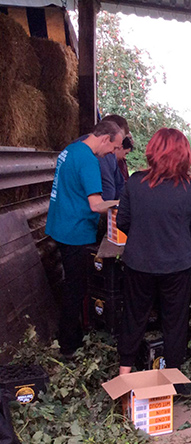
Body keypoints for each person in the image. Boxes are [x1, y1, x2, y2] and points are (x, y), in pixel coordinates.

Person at [116, 128, 191, 375]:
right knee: (175, 321)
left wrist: (144, 233)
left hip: (138, 262)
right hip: (176, 265)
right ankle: (173, 378)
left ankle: (124, 373)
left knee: (134, 316)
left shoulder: (134, 182)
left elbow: (122, 221)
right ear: (184, 154)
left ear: (152, 151)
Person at [45, 120, 125, 357]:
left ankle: (72, 335)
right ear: (104, 139)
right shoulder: (89, 160)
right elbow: (96, 204)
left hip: (60, 225)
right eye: (113, 147)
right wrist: (123, 204)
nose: (112, 153)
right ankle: (69, 345)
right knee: (76, 288)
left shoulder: (70, 150)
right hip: (76, 231)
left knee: (71, 284)